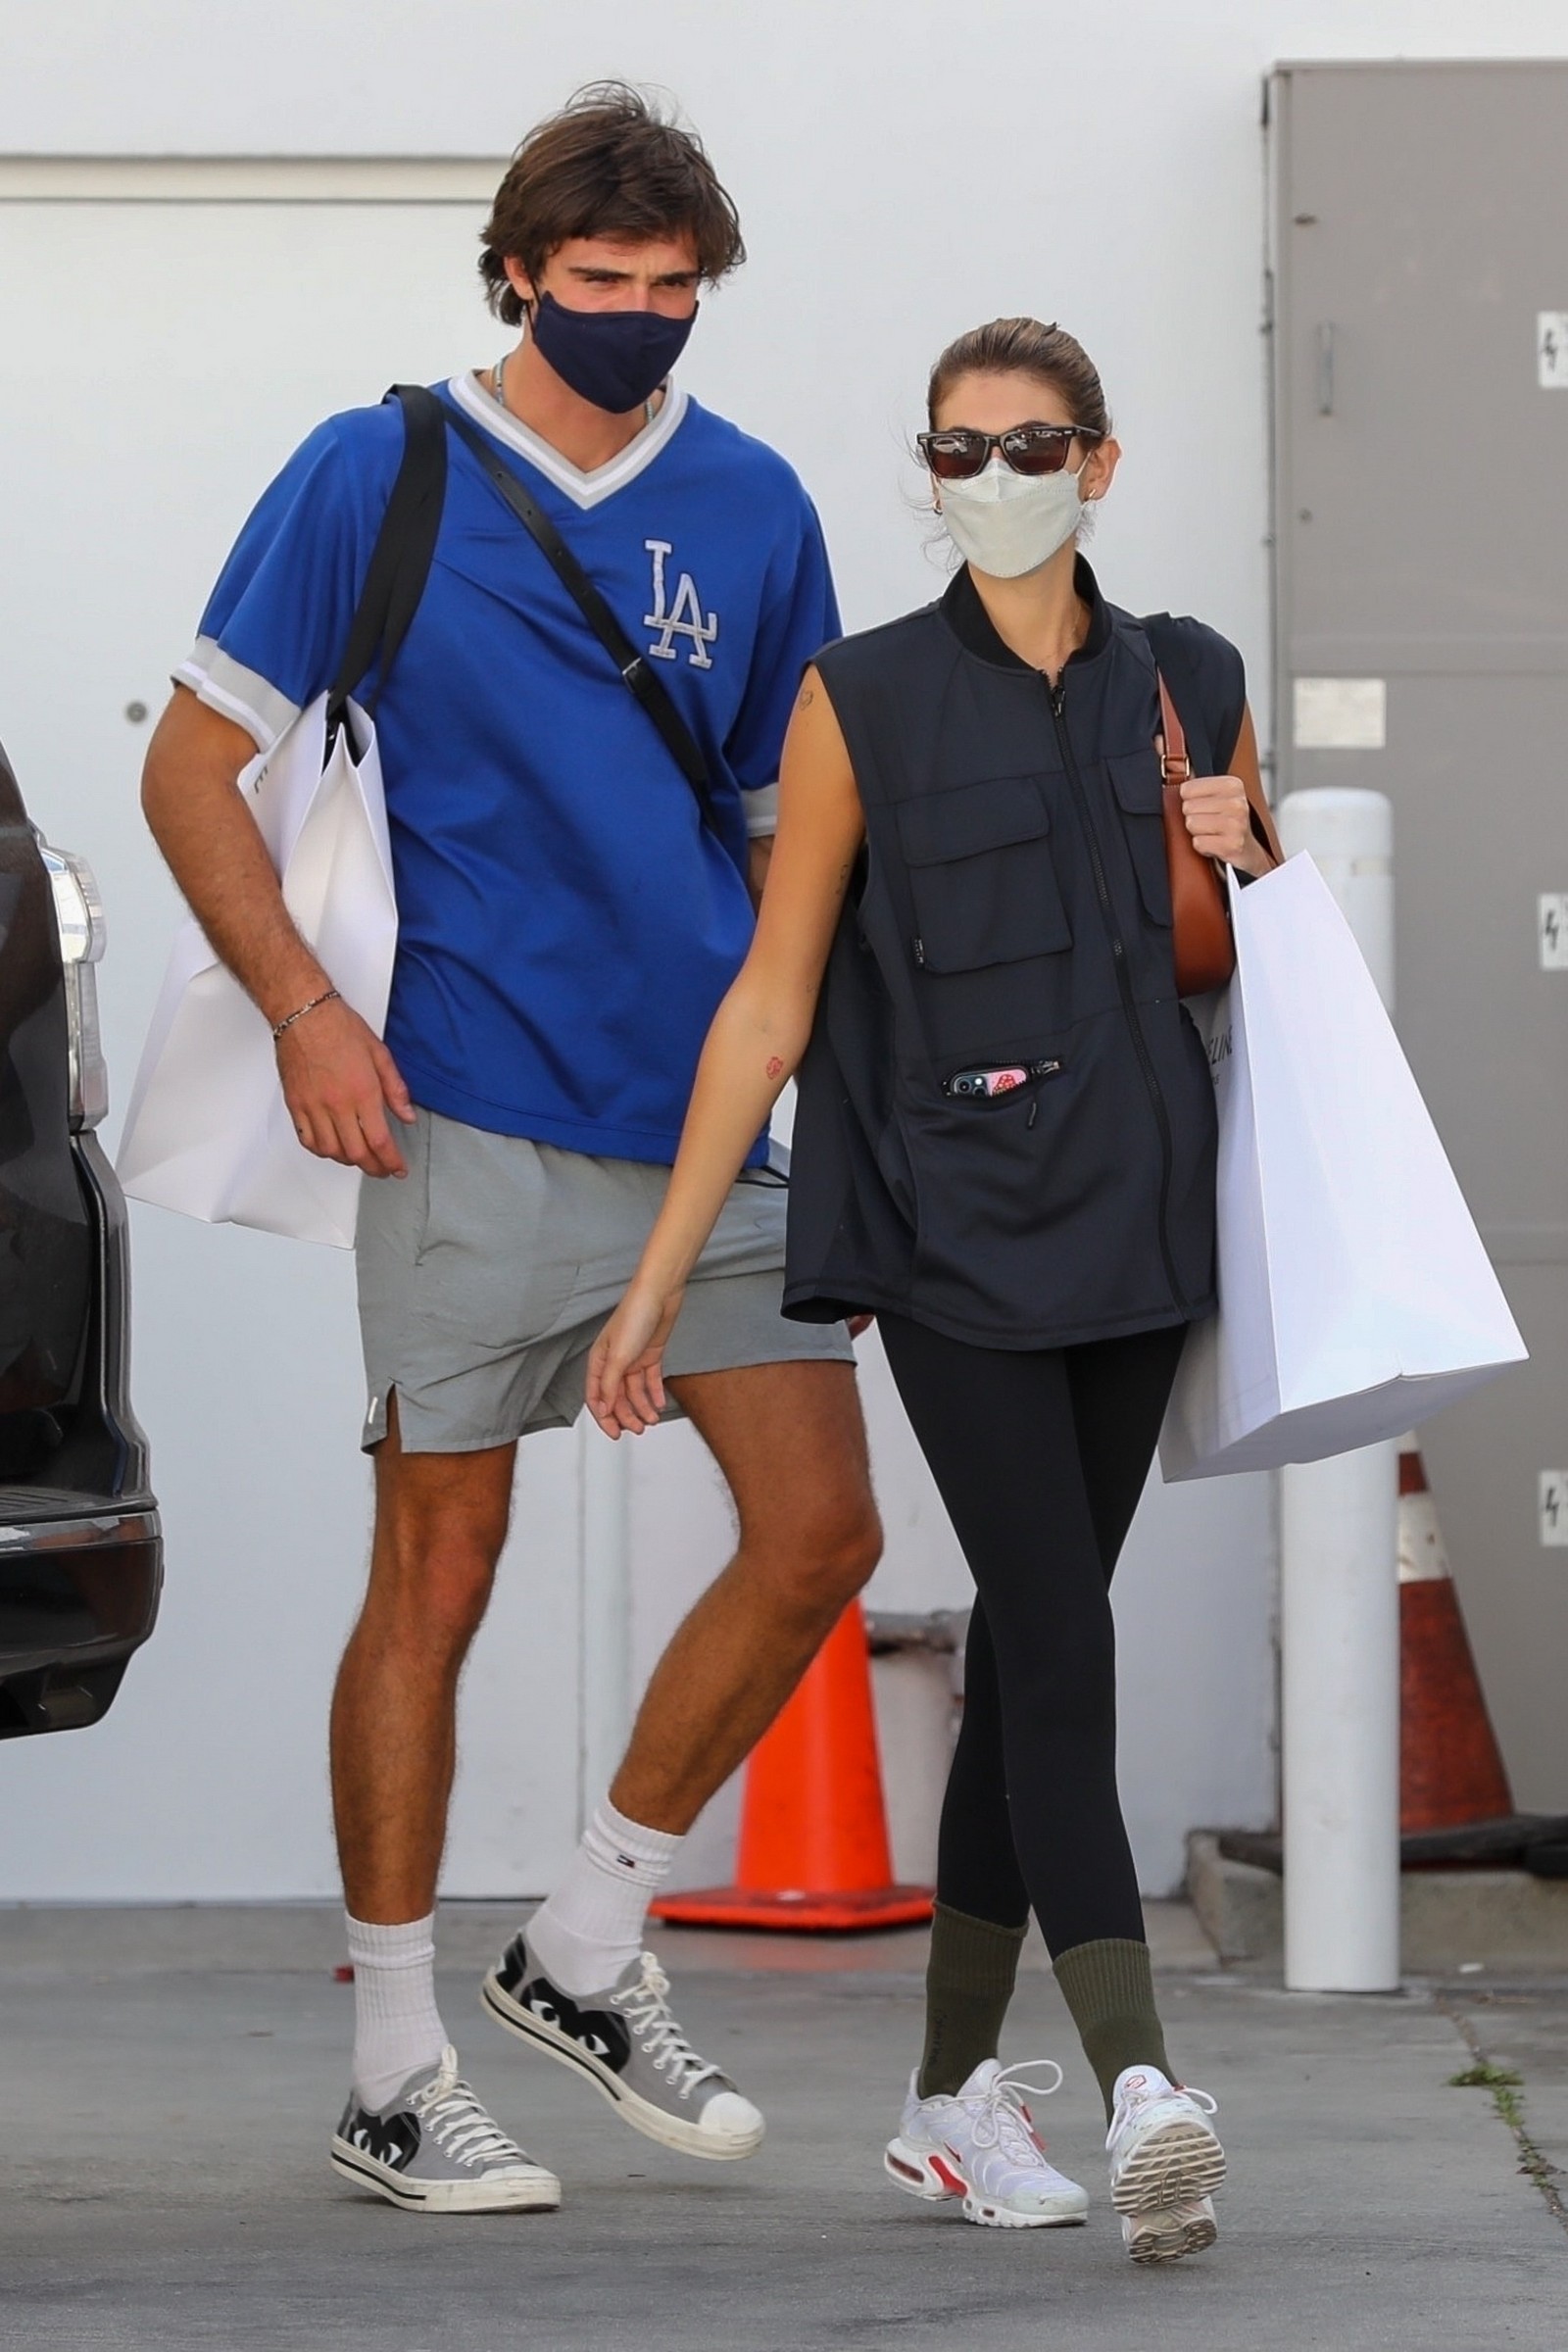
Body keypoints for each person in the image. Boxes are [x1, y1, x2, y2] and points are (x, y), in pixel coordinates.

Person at [139, 84, 881, 2217]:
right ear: (516, 276)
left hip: (707, 1126)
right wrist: (308, 1010)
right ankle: (393, 2064)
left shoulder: (752, 503)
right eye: (598, 280)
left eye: (674, 286)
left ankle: (583, 1938)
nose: (638, 314)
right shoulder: (374, 469)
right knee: (438, 1573)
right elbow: (194, 766)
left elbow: (789, 828)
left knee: (818, 1534)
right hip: (459, 1108)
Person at [587, 316, 1282, 2263]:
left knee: (1033, 1653)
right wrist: (656, 1284)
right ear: (929, 472)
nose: (993, 480)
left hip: (1141, 1232)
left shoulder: (1192, 678)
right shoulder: (860, 698)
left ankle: (945, 2103)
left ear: (1100, 464)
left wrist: (1247, 845)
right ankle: (1142, 2082)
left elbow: (1237, 952)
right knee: (1057, 1634)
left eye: (1031, 445)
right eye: (958, 451)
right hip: (955, 1234)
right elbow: (771, 998)